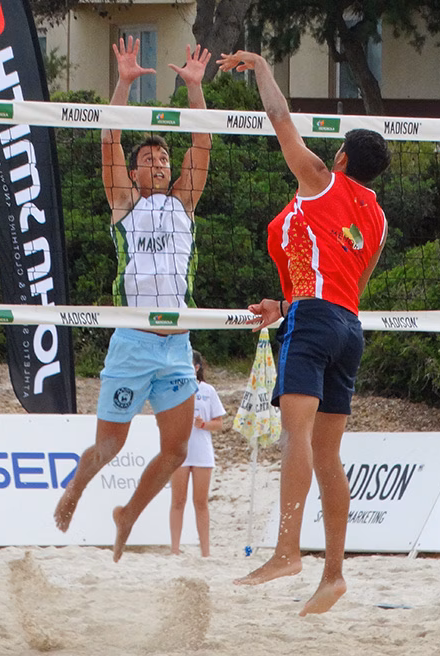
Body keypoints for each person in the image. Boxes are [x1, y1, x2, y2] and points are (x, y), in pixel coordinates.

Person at [219, 50, 390, 616]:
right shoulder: (377, 217)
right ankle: (334, 574)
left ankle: (286, 552)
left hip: (316, 320)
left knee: (296, 437)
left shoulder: (320, 181)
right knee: (326, 455)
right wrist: (283, 304)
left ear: (340, 157)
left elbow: (280, 119)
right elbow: (347, 280)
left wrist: (263, 68)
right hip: (346, 326)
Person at [53, 37, 212, 561]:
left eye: (165, 156)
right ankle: (75, 491)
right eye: (150, 158)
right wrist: (122, 81)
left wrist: (194, 89)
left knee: (176, 449)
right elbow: (109, 139)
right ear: (136, 171)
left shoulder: (184, 203)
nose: (160, 162)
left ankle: (127, 515)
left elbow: (203, 143)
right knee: (108, 447)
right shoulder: (125, 202)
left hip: (176, 347)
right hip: (132, 342)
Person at [169, 350, 227, 557]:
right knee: (178, 501)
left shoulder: (208, 390)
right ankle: (175, 549)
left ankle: (205, 551)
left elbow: (219, 423)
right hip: (179, 450)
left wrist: (203, 424)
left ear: (196, 367)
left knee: (200, 502)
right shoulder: (174, 388)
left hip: (202, 450)